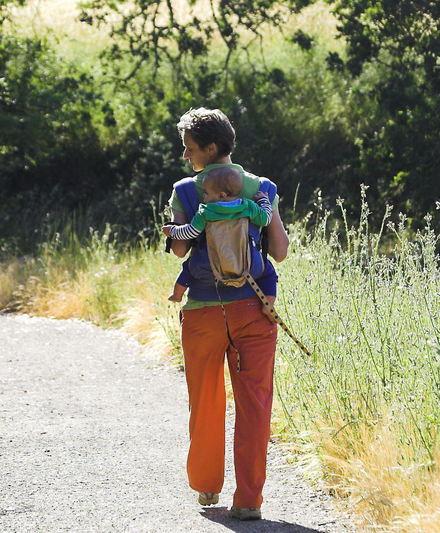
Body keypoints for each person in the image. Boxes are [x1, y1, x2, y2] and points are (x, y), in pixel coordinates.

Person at [165, 107, 289, 521]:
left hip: (202, 310)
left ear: (211, 147)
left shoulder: (185, 190)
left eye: (190, 149)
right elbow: (281, 251)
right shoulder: (263, 187)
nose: (187, 157)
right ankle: (249, 499)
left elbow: (181, 249)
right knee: (255, 402)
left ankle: (206, 486)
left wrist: (177, 230)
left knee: (206, 400)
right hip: (255, 307)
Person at [162, 166, 273, 303]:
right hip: (249, 266)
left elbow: (190, 232)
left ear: (222, 195)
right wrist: (263, 201)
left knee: (189, 268)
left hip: (209, 264)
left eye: (207, 193)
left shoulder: (206, 212)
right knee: (268, 272)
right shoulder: (248, 206)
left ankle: (177, 295)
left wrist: (172, 232)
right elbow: (266, 218)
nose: (204, 196)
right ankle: (269, 302)